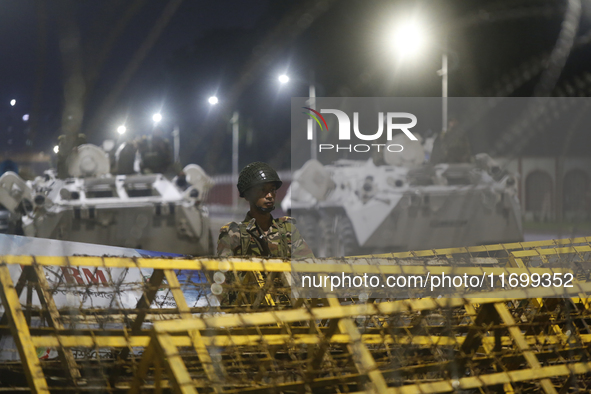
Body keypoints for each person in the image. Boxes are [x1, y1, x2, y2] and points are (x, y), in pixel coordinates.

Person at [217, 162, 314, 259]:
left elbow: (308, 266)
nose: (270, 196)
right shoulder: (233, 234)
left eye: (272, 190)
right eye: (262, 190)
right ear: (247, 195)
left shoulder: (288, 231)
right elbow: (223, 271)